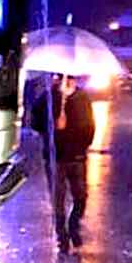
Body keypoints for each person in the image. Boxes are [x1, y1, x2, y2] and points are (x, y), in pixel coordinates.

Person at [53, 75, 95, 252]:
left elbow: (90, 126)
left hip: (77, 158)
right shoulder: (51, 98)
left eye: (71, 78)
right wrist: (55, 125)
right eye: (65, 77)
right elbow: (36, 121)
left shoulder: (82, 98)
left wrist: (83, 146)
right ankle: (62, 237)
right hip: (57, 159)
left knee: (81, 197)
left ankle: (74, 226)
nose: (68, 81)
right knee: (58, 201)